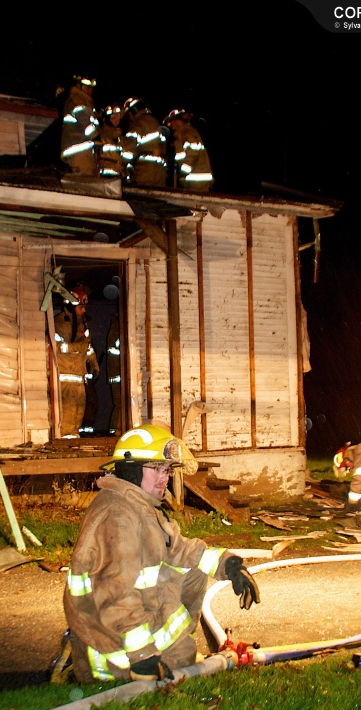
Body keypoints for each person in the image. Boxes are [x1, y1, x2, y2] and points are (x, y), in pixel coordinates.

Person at [60, 423, 260, 683]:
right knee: (182, 661)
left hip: (124, 621)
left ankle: (172, 647)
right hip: (113, 647)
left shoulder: (139, 505)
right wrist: (143, 657)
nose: (164, 477)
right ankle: (104, 661)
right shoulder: (117, 516)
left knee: (192, 570)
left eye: (166, 470)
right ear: (131, 470)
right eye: (156, 469)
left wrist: (228, 565)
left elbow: (177, 548)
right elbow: (116, 592)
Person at [54, 286, 99, 438]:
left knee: (79, 411)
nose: (84, 311)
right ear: (70, 306)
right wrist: (79, 347)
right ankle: (65, 441)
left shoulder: (83, 326)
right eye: (81, 307)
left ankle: (73, 438)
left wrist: (93, 364)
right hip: (65, 378)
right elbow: (58, 347)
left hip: (79, 377)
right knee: (68, 412)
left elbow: (88, 347)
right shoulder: (59, 324)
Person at [163, 108, 214, 191]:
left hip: (197, 180)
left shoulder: (186, 133)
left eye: (171, 122)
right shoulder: (183, 133)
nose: (171, 125)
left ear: (178, 120)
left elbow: (193, 154)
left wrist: (183, 171)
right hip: (193, 179)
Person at [60, 75, 100, 175]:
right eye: (87, 87)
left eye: (91, 88)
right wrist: (96, 138)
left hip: (80, 152)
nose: (89, 90)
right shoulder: (78, 101)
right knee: (85, 181)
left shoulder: (83, 101)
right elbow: (85, 123)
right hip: (81, 151)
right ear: (79, 85)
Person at [121, 97, 167, 186]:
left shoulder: (138, 125)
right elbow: (163, 148)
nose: (130, 119)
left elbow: (129, 151)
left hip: (144, 172)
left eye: (128, 115)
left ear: (133, 112)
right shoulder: (156, 123)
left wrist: (121, 164)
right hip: (160, 172)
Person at [96, 104, 125, 179]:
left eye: (118, 117)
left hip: (119, 174)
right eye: (113, 117)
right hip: (106, 175)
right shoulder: (102, 136)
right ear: (107, 119)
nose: (117, 120)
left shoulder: (120, 137)